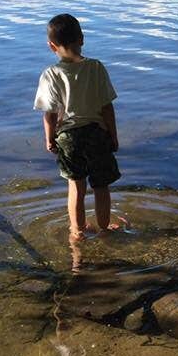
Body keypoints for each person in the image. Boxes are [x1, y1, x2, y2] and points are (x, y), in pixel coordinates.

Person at [34, 13, 121, 241]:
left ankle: (78, 231)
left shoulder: (50, 74)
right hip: (97, 134)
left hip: (68, 138)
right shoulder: (96, 67)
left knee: (76, 187)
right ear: (82, 38)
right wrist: (113, 136)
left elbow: (50, 114)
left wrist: (49, 139)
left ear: (51, 46)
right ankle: (104, 228)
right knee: (101, 187)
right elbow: (107, 107)